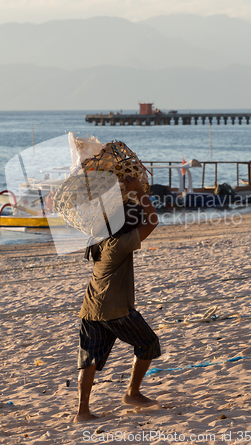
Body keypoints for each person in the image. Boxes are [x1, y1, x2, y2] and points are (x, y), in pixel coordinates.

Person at [74, 176, 160, 423]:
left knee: (89, 359)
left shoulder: (100, 240)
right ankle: (132, 393)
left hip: (91, 306)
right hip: (115, 309)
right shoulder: (119, 244)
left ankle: (82, 412)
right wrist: (140, 191)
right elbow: (152, 221)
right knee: (149, 343)